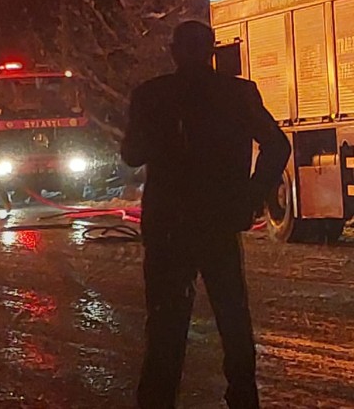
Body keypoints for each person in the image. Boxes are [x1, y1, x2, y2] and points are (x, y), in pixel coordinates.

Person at [122, 20, 290, 409]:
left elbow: (132, 154)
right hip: (219, 220)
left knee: (166, 325)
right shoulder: (238, 94)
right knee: (232, 317)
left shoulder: (152, 95)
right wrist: (251, 194)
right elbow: (276, 146)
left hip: (169, 226)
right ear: (211, 51)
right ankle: (243, 398)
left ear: (174, 51)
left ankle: (158, 400)